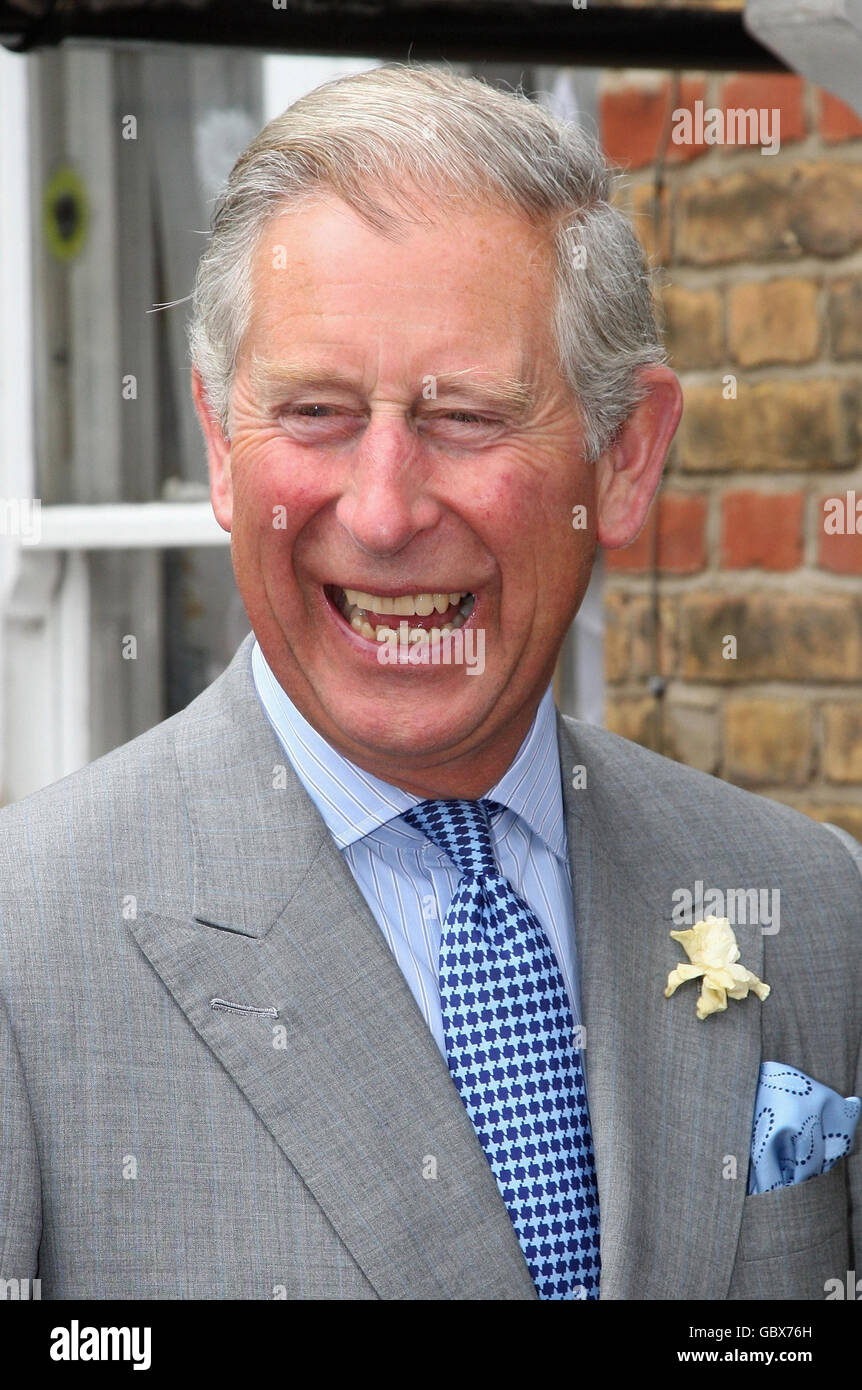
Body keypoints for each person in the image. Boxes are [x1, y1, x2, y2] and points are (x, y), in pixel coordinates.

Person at [1, 63, 860, 1301]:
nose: (385, 508)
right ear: (219, 446)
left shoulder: (810, 904)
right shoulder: (27, 950)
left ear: (623, 459)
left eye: (461, 416)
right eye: (314, 412)